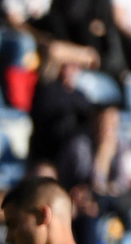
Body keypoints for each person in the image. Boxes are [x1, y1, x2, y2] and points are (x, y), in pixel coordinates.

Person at [30, 57, 98, 187]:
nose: (71, 70)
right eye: (66, 66)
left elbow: (90, 115)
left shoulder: (80, 95)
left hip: (71, 154)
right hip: (48, 156)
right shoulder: (47, 90)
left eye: (74, 67)